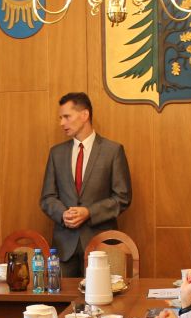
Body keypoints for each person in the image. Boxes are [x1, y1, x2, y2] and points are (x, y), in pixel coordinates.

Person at [39, 92, 132, 277]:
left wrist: (89, 212)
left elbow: (122, 198)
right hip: (64, 248)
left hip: (101, 246)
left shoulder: (112, 151)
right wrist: (63, 214)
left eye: (66, 117)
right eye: (60, 118)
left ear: (84, 115)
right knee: (61, 295)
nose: (62, 123)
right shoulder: (56, 153)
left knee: (102, 295)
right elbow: (47, 197)